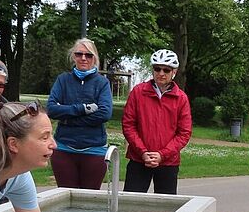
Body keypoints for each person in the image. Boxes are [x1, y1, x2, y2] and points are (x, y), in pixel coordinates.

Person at [122, 49, 192, 194]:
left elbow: (184, 133)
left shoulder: (181, 98)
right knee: (131, 206)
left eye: (166, 70)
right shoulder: (138, 92)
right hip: (139, 159)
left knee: (165, 210)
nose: (161, 73)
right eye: (157, 68)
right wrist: (143, 152)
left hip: (168, 162)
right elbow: (128, 125)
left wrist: (162, 154)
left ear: (174, 71)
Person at [46, 38, 113, 189]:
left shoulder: (102, 83)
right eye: (79, 54)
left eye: (88, 55)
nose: (83, 58)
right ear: (73, 56)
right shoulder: (63, 80)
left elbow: (104, 114)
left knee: (88, 201)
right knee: (65, 198)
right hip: (64, 148)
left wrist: (67, 118)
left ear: (94, 58)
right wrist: (82, 109)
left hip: (94, 150)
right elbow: (51, 109)